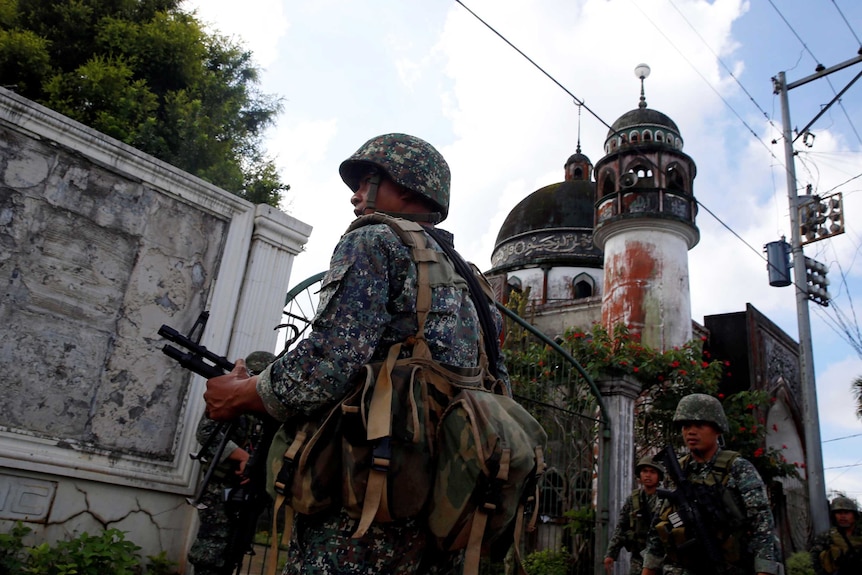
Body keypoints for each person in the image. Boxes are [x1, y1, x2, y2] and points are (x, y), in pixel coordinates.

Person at [203, 133, 508, 574]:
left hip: (370, 499)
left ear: (403, 185)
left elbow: (328, 361)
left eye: (366, 181)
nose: (355, 196)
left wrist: (246, 392)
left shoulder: (374, 240)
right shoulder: (476, 282)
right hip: (449, 504)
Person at [641, 393, 781, 575]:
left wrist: (764, 571)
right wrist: (648, 569)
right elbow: (658, 527)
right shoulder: (678, 470)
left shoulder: (738, 468)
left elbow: (762, 526)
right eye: (686, 426)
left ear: (717, 429)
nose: (691, 432)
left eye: (699, 425)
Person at [188, 351, 276, 575]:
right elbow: (206, 433)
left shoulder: (268, 406)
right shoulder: (232, 398)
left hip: (249, 487)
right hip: (220, 486)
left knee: (236, 544)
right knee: (211, 545)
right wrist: (244, 458)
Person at [604, 456, 666, 575]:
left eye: (652, 472)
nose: (648, 475)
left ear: (659, 476)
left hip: (661, 557)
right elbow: (621, 528)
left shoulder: (666, 500)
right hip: (639, 557)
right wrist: (611, 554)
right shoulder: (633, 500)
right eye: (644, 471)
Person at [809, 496, 862, 575]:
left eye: (847, 513)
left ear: (854, 516)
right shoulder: (827, 537)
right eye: (839, 513)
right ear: (834, 516)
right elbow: (814, 560)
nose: (842, 516)